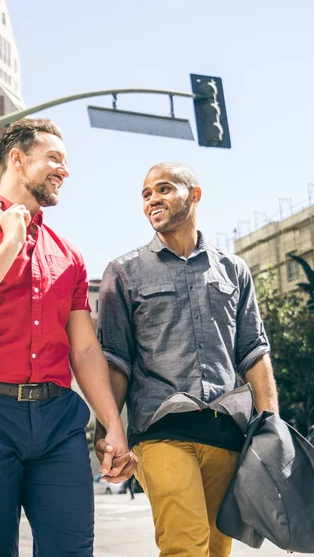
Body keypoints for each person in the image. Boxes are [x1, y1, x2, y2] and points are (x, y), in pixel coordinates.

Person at [0, 118, 135, 557]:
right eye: (54, 158)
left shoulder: (68, 254)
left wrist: (113, 423)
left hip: (58, 420)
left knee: (72, 550)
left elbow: (84, 347)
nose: (65, 170)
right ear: (17, 160)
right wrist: (10, 242)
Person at [95, 162, 279, 557]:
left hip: (226, 433)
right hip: (161, 429)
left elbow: (254, 351)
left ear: (194, 195)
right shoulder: (124, 272)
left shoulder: (233, 270)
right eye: (146, 194)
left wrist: (271, 426)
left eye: (163, 189)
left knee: (216, 548)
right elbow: (115, 360)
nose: (152, 200)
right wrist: (109, 430)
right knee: (186, 543)